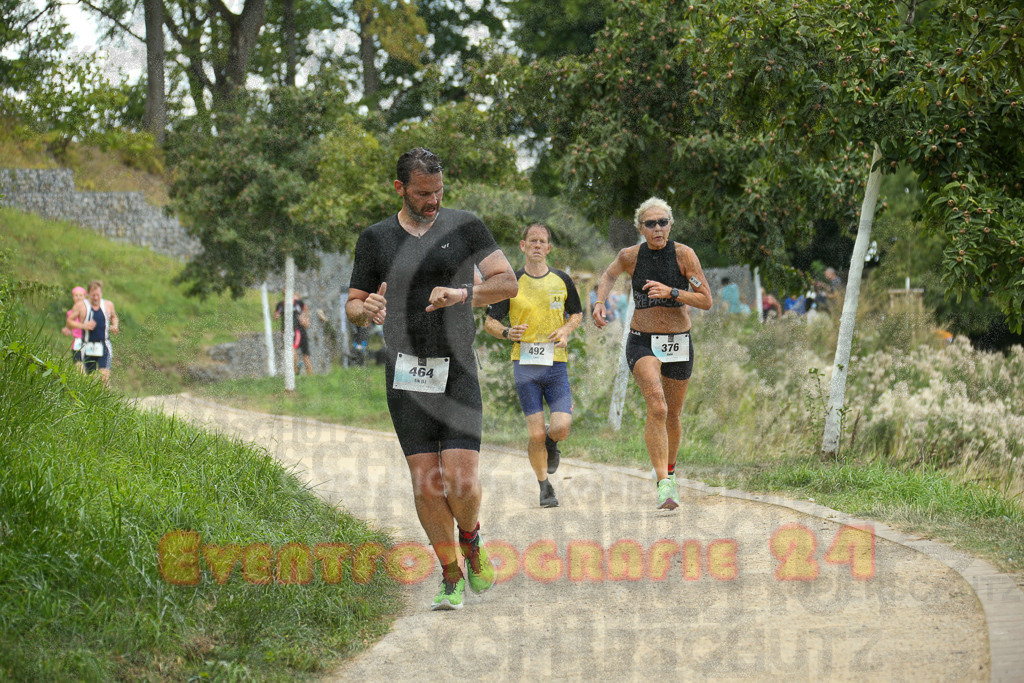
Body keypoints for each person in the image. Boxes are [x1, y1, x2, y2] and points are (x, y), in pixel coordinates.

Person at [346, 148, 518, 610]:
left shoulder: (465, 226)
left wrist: (463, 293)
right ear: (400, 188)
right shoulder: (375, 238)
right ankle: (449, 574)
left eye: (439, 191)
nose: (433, 200)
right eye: (423, 193)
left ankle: (472, 540)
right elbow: (355, 305)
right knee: (426, 481)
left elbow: (507, 283)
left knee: (460, 480)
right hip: (406, 373)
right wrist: (366, 311)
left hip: (457, 368)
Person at [592, 198, 712, 510]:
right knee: (656, 407)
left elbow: (705, 299)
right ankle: (663, 483)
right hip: (642, 340)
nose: (657, 228)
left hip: (678, 341)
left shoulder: (684, 255)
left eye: (663, 222)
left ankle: (670, 473)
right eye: (650, 223)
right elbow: (608, 276)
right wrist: (599, 302)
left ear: (670, 225)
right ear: (640, 228)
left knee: (672, 413)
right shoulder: (630, 256)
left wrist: (673, 292)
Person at [484, 223, 583, 508]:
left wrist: (565, 330)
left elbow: (576, 314)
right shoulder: (511, 283)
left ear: (549, 248)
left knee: (561, 427)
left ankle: (553, 443)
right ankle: (544, 486)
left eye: (543, 242)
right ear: (523, 246)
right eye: (533, 241)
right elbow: (490, 321)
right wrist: (506, 332)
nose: (538, 245)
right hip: (525, 364)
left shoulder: (562, 280)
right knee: (534, 433)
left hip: (555, 365)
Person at [67, 280, 119, 386]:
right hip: (86, 345)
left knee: (103, 377)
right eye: (93, 295)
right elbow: (69, 321)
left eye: (98, 295)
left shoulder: (108, 305)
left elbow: (114, 317)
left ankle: (106, 399)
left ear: (101, 293)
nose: (95, 298)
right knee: (86, 379)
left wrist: (114, 326)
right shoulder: (80, 306)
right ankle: (91, 399)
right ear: (88, 294)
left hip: (104, 345)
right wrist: (83, 326)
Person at [274, 294, 312, 375]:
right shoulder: (281, 305)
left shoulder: (298, 303)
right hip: (287, 332)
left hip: (298, 331)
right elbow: (276, 315)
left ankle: (305, 373)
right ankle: (297, 369)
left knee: (305, 355)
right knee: (291, 351)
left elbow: (306, 310)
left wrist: (304, 319)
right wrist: (276, 316)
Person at [61, 286, 87, 371]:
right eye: (76, 295)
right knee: (78, 367)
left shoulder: (89, 310)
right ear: (73, 297)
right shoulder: (70, 313)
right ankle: (82, 382)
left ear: (85, 297)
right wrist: (66, 330)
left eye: (81, 295)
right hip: (76, 342)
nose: (78, 297)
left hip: (89, 341)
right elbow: (69, 328)